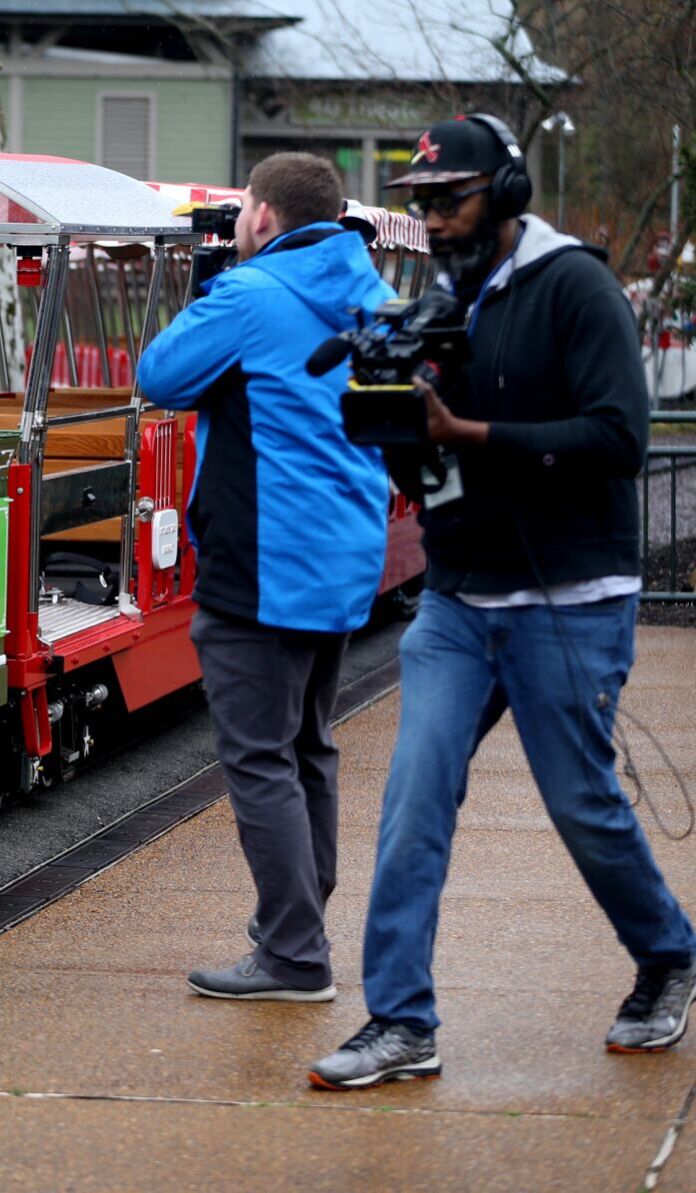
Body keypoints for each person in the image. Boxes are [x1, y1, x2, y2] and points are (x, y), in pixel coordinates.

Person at [309, 115, 696, 1090]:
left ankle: (664, 952)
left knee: (578, 802)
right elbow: (428, 450)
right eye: (420, 205)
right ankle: (400, 1020)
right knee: (409, 799)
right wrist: (399, 428)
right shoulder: (441, 298)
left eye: (451, 200)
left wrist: (466, 430)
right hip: (455, 601)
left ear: (508, 192)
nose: (433, 221)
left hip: (568, 595)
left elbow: (617, 439)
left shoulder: (575, 286)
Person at [135, 152, 394, 1002]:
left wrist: (216, 286)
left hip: (262, 559)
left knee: (257, 756)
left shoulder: (249, 297)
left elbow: (159, 376)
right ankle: (301, 918)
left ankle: (292, 954)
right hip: (341, 558)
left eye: (243, 208)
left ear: (265, 217)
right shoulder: (372, 292)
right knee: (309, 744)